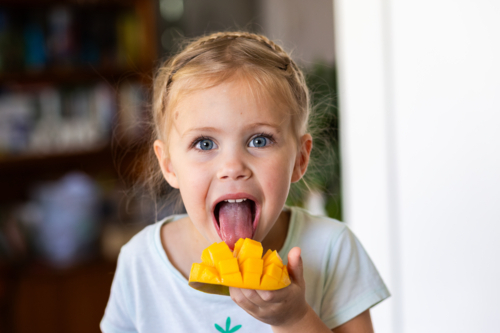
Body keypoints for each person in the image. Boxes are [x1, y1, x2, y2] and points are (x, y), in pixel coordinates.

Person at [100, 31, 390, 333]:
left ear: (300, 160)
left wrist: (295, 319)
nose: (232, 167)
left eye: (259, 140)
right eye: (204, 143)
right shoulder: (140, 263)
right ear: (169, 165)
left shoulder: (334, 249)